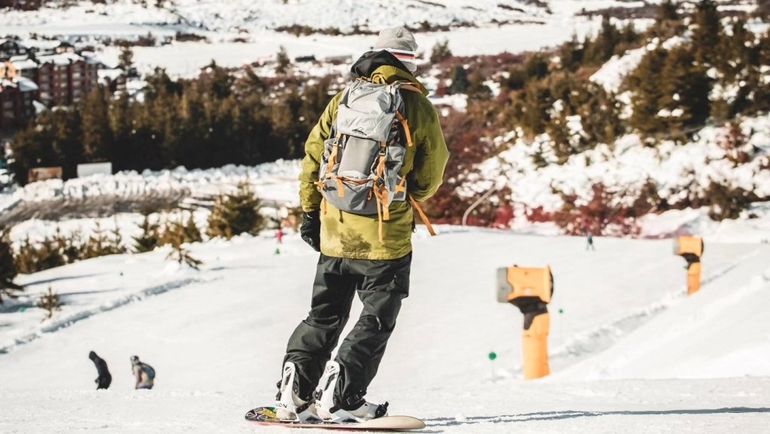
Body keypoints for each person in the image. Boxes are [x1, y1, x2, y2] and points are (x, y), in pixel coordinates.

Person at [270, 26, 449, 423]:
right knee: (375, 317)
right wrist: (406, 195)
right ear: (409, 62)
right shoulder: (415, 104)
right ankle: (343, 394)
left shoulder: (345, 97)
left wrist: (311, 212)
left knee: (323, 315)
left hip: (335, 231)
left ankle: (294, 392)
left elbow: (313, 156)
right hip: (385, 238)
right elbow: (432, 172)